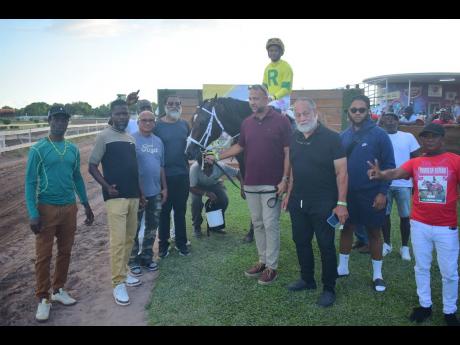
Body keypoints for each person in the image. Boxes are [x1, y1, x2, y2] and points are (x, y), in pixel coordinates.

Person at [367, 123, 460, 326]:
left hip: (447, 227)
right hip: (419, 225)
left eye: (433, 137)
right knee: (421, 267)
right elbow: (396, 173)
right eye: (425, 137)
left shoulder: (455, 161)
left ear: (442, 139)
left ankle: (449, 311)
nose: (429, 140)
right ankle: (425, 305)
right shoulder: (416, 162)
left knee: (450, 272)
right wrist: (381, 174)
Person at [206, 84, 291, 285]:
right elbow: (239, 146)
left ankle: (272, 267)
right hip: (252, 183)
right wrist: (217, 155)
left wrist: (285, 180)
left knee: (270, 225)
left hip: (272, 183)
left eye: (257, 98)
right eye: (250, 98)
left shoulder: (281, 121)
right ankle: (262, 261)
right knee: (259, 223)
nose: (253, 102)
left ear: (267, 98)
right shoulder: (246, 123)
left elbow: (288, 152)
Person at [25, 104, 94, 322]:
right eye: (56, 119)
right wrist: (33, 212)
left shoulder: (72, 149)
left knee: (65, 251)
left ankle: (58, 290)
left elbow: (77, 178)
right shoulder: (38, 149)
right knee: (43, 256)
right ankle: (43, 298)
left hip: (69, 208)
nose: (60, 123)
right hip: (46, 209)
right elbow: (30, 182)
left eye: (64, 119)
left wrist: (86, 203)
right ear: (49, 120)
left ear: (67, 122)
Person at [281, 98, 348, 307]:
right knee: (300, 241)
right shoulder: (294, 138)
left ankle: (329, 288)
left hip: (324, 203)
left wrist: (341, 203)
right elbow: (293, 171)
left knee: (326, 245)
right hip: (298, 201)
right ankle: (307, 279)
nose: (302, 118)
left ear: (315, 112)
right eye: (298, 114)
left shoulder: (332, 138)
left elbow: (342, 173)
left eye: (305, 113)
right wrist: (288, 194)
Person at [337, 95, 395, 292]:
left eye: (362, 110)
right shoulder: (342, 136)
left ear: (368, 111)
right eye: (354, 110)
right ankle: (342, 267)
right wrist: (339, 197)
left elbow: (389, 166)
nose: (358, 113)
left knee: (373, 233)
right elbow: (336, 168)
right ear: (349, 113)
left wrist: (382, 193)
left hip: (372, 193)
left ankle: (377, 275)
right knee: (346, 228)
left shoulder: (380, 135)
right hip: (348, 194)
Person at [89, 99, 143, 306]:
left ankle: (124, 271)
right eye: (119, 114)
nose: (122, 117)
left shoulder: (130, 138)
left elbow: (133, 168)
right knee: (118, 241)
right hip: (115, 198)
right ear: (112, 115)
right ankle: (117, 283)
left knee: (130, 238)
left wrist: (141, 194)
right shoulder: (103, 136)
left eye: (125, 113)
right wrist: (106, 186)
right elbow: (92, 166)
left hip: (133, 196)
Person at [128, 111, 167, 277]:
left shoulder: (158, 141)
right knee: (134, 228)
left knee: (152, 227)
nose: (148, 123)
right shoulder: (131, 140)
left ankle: (147, 256)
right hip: (136, 194)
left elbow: (161, 166)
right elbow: (130, 169)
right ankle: (133, 260)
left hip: (155, 192)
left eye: (151, 120)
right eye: (144, 120)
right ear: (138, 122)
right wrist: (139, 191)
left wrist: (165, 187)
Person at [379, 112, 421, 260]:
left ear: (397, 121)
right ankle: (387, 244)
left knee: (405, 216)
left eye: (392, 119)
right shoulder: (381, 137)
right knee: (385, 215)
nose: (389, 122)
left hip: (404, 183)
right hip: (385, 183)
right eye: (386, 121)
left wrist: (415, 181)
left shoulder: (408, 137)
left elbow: (417, 159)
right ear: (382, 123)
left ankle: (404, 247)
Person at [154, 95, 191, 257]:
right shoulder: (157, 126)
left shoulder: (185, 125)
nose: (174, 106)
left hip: (182, 175)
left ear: (181, 106)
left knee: (180, 211)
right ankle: (163, 246)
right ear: (165, 106)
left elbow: (192, 146)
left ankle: (181, 243)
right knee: (163, 212)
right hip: (163, 177)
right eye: (171, 104)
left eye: (177, 104)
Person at [190, 151, 243, 237]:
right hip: (198, 187)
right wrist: (206, 193)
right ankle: (197, 226)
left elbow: (238, 173)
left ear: (214, 163)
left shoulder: (221, 166)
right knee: (196, 202)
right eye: (204, 168)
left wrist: (243, 188)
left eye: (209, 167)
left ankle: (214, 225)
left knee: (223, 200)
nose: (206, 170)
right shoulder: (194, 168)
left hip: (214, 184)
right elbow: (191, 187)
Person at [262, 38, 293, 115]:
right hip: (270, 99)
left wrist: (273, 97)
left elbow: (286, 89)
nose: (273, 53)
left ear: (281, 52)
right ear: (268, 53)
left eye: (276, 51)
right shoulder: (267, 68)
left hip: (283, 100)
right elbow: (264, 87)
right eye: (271, 51)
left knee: (269, 107)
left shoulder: (286, 67)